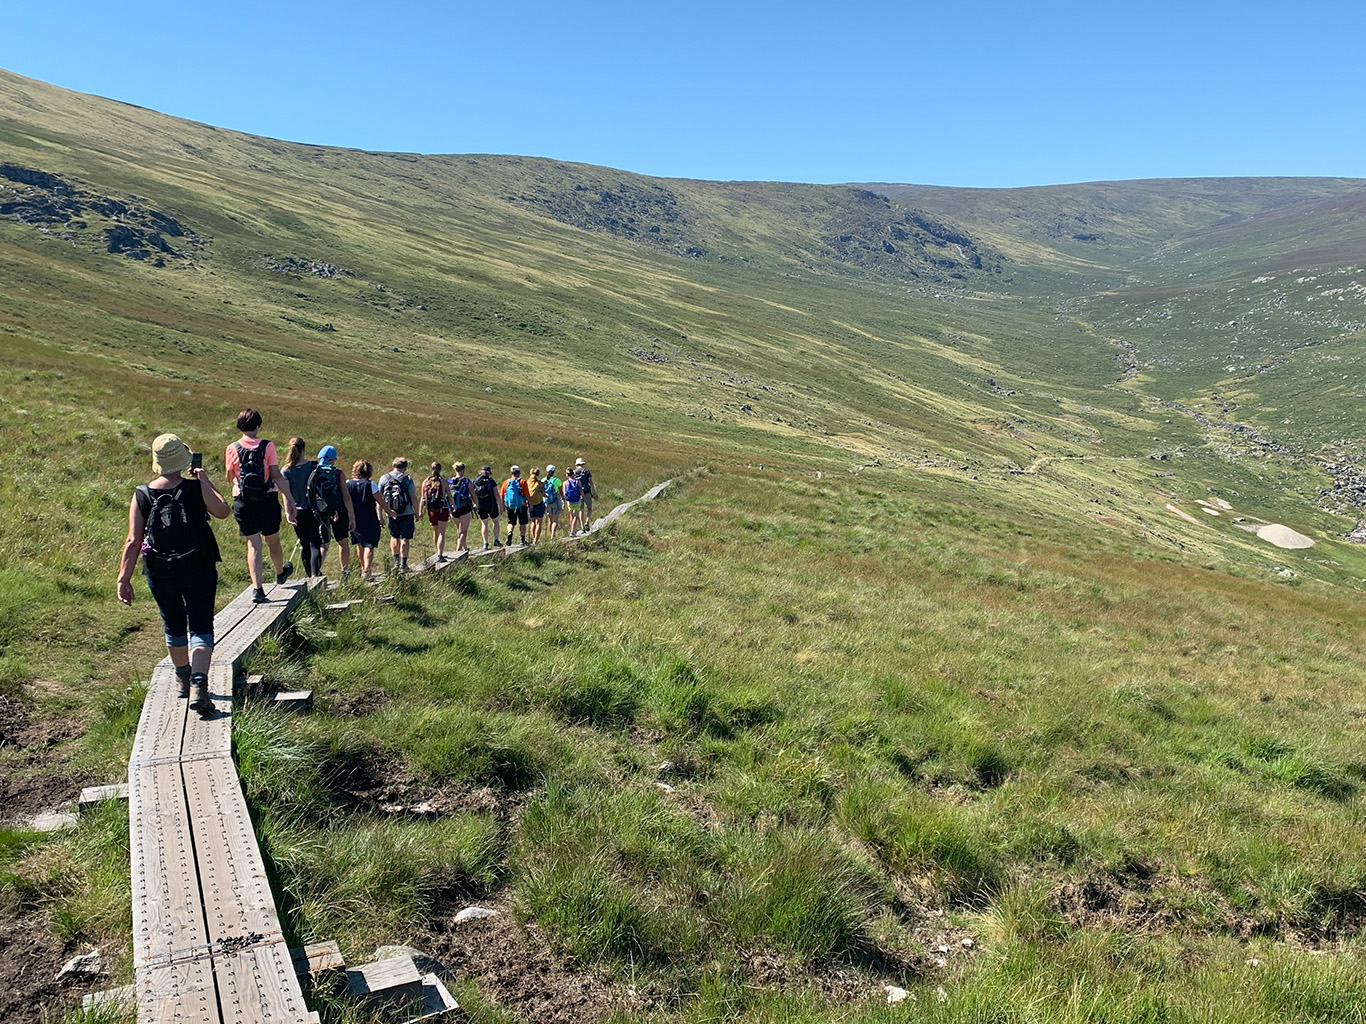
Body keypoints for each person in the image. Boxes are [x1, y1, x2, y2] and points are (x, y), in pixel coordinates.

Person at [117, 433, 230, 715]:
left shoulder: (141, 494)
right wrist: (203, 479)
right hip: (199, 565)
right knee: (201, 623)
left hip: (160, 569)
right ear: (183, 459)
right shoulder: (194, 487)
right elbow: (222, 511)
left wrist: (124, 578)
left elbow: (133, 540)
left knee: (173, 624)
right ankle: (199, 684)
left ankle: (182, 677)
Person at [225, 410, 296, 604]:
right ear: (258, 425)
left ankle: (257, 589)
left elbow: (230, 477)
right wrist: (289, 499)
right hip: (267, 499)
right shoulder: (268, 446)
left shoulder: (231, 448)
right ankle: (280, 573)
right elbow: (275, 474)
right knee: (273, 540)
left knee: (253, 545)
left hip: (243, 501)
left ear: (240, 426)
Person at [281, 437, 327, 578]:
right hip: (313, 510)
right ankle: (315, 574)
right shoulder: (314, 466)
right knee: (315, 543)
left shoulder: (286, 470)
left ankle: (309, 575)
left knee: (304, 544)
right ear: (303, 450)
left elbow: (285, 493)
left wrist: (288, 511)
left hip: (297, 512)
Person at [312, 445, 356, 578]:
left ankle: (317, 571)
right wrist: (352, 515)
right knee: (342, 542)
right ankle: (345, 571)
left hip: (320, 511)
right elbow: (346, 496)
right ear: (334, 459)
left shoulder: (314, 471)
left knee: (324, 543)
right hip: (339, 511)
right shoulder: (338, 473)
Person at [347, 460, 392, 576]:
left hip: (354, 518)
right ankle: (367, 569)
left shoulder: (348, 483)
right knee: (369, 546)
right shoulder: (371, 485)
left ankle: (363, 567)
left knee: (360, 544)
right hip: (369, 518)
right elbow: (381, 501)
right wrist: (390, 512)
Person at [378, 457, 419, 570]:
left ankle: (395, 562)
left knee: (394, 536)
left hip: (391, 513)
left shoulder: (384, 478)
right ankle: (403, 564)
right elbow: (413, 498)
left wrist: (380, 515)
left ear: (393, 466)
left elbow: (380, 500)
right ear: (405, 468)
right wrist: (417, 512)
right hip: (406, 513)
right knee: (405, 538)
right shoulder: (407, 479)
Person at [420, 461, 453, 562]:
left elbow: (422, 498)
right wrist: (454, 507)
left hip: (431, 510)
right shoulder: (444, 482)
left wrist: (420, 512)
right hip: (442, 509)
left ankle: (436, 551)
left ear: (431, 469)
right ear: (440, 470)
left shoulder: (425, 482)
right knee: (442, 532)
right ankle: (440, 554)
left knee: (435, 531)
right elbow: (450, 496)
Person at [472, 465, 502, 549]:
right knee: (495, 521)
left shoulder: (475, 481)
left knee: (484, 523)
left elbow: (472, 494)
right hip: (491, 504)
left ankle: (485, 543)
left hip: (480, 505)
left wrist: (475, 504)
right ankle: (496, 540)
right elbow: (496, 494)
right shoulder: (491, 481)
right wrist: (501, 505)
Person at [448, 462, 474, 554]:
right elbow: (473, 495)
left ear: (455, 470)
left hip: (453, 508)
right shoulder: (467, 481)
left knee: (459, 529)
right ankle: (457, 552)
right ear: (463, 470)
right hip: (465, 508)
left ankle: (465, 547)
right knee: (463, 531)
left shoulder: (449, 482)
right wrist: (476, 504)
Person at [502, 465, 530, 547]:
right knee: (522, 523)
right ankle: (522, 540)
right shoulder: (523, 482)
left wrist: (503, 505)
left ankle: (510, 532)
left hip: (510, 506)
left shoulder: (506, 482)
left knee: (511, 522)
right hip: (522, 505)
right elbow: (527, 495)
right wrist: (530, 503)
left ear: (511, 473)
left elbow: (502, 495)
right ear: (519, 473)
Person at [573, 457, 598, 528]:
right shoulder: (586, 471)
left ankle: (582, 526)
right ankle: (587, 521)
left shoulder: (574, 472)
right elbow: (591, 482)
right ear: (583, 464)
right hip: (587, 492)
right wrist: (594, 493)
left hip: (578, 493)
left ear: (576, 464)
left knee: (581, 510)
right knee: (589, 508)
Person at [563, 466, 585, 536]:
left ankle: (572, 529)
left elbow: (564, 493)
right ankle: (572, 531)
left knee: (571, 515)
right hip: (577, 500)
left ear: (567, 475)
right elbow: (581, 490)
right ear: (573, 474)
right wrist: (582, 495)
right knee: (576, 516)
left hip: (569, 501)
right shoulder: (577, 481)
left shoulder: (565, 483)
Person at [543, 464, 563, 540]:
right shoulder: (557, 480)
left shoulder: (543, 480)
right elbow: (561, 492)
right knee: (555, 520)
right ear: (554, 471)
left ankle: (549, 534)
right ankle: (553, 536)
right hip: (555, 500)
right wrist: (563, 500)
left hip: (547, 501)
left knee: (550, 520)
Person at [526, 466, 546, 544]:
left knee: (533, 522)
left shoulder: (527, 483)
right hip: (539, 504)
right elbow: (544, 494)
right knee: (539, 523)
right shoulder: (540, 484)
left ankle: (533, 537)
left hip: (530, 504)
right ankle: (536, 540)